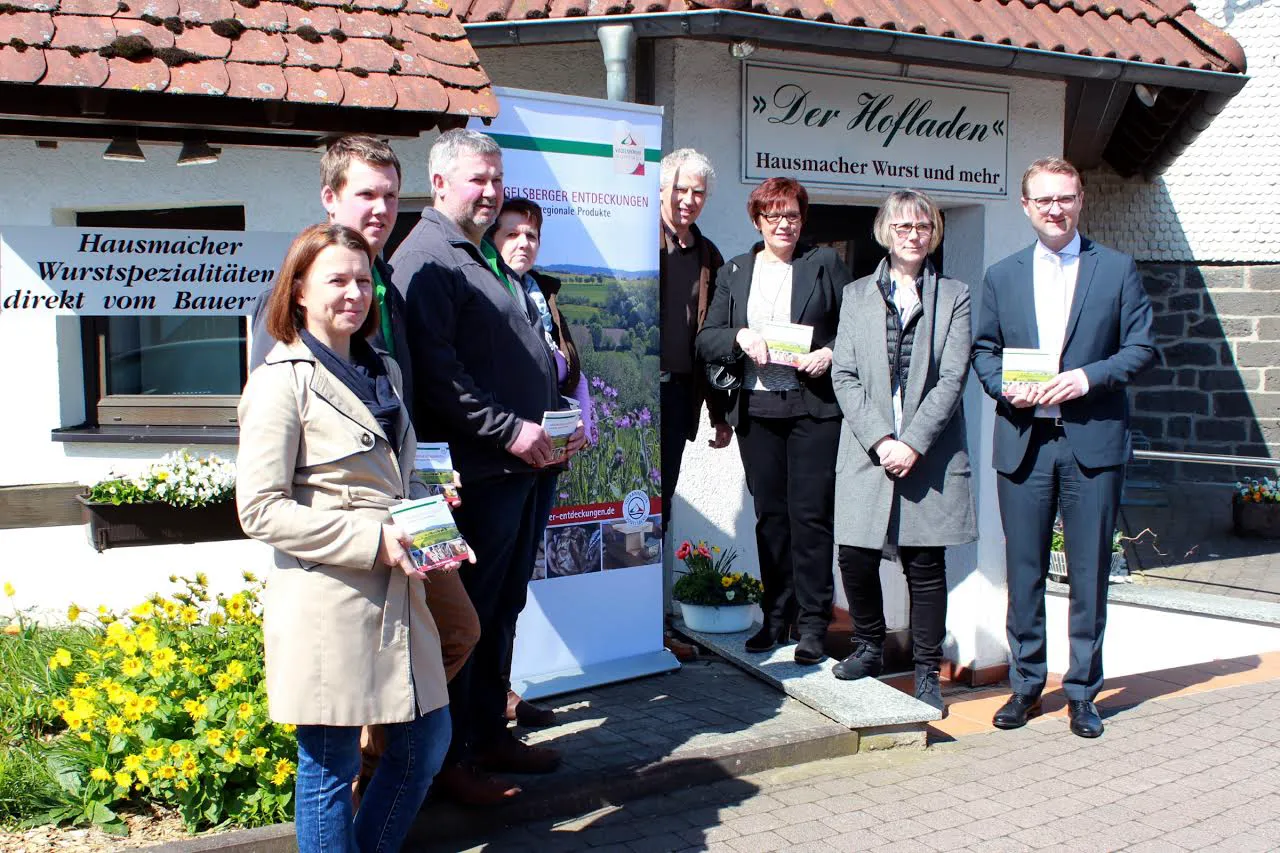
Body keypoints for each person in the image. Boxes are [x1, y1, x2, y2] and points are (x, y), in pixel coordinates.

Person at [246, 134, 479, 795]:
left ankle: (388, 775)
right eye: (365, 194)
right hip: (349, 552)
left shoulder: (385, 281)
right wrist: (369, 530)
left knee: (458, 630)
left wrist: (426, 480)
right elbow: (281, 453)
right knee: (335, 745)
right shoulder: (303, 296)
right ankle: (370, 784)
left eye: (388, 194)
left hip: (408, 515)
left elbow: (388, 410)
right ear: (330, 197)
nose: (380, 208)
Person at [391, 129, 587, 805]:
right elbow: (441, 375)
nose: (490, 191)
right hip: (483, 471)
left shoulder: (472, 253)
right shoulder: (426, 257)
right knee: (470, 616)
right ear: (439, 182)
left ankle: (489, 733)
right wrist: (509, 431)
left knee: (503, 605)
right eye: (477, 179)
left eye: (497, 179)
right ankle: (453, 761)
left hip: (522, 467)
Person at [972, 157, 1155, 738]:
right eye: (1043, 200)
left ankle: (1082, 692)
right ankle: (1026, 687)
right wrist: (1004, 386)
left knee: (1089, 573)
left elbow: (1141, 349)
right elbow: (984, 351)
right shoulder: (1002, 276)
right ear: (1025, 206)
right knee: (1023, 572)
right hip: (1025, 443)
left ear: (1080, 202)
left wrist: (1087, 378)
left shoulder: (1118, 269)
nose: (1055, 209)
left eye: (1065, 198)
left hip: (1092, 443)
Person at [828, 190, 976, 714]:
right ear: (884, 232)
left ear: (933, 233)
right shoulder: (855, 296)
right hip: (868, 447)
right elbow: (843, 374)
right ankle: (868, 647)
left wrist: (912, 441)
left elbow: (953, 376)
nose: (913, 234)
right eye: (903, 226)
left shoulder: (954, 295)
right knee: (855, 554)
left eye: (923, 226)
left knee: (924, 562)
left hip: (928, 450)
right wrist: (881, 439)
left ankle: (925, 672)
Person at [696, 177, 852, 666]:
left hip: (812, 408)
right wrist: (741, 335)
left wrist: (830, 352)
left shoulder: (823, 263)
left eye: (792, 215)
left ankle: (811, 626)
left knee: (810, 517)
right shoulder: (736, 270)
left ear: (803, 219)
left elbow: (856, 328)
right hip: (758, 411)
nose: (784, 224)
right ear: (758, 220)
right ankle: (774, 617)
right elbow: (707, 338)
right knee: (771, 518)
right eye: (774, 216)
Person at [488, 196, 596, 729]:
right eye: (511, 233)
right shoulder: (488, 293)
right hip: (502, 461)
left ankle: (502, 692)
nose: (523, 243)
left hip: (546, 460)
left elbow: (569, 372)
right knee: (492, 586)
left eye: (531, 235)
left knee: (515, 587)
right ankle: (487, 704)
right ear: (491, 238)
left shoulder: (542, 294)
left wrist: (581, 425)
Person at [658, 149, 732, 656]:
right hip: (631, 399)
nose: (689, 200)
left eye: (698, 192)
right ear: (662, 187)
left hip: (679, 399)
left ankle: (647, 627)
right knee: (617, 513)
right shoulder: (638, 240)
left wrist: (721, 412)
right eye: (681, 189)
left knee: (656, 518)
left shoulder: (708, 255)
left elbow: (714, 340)